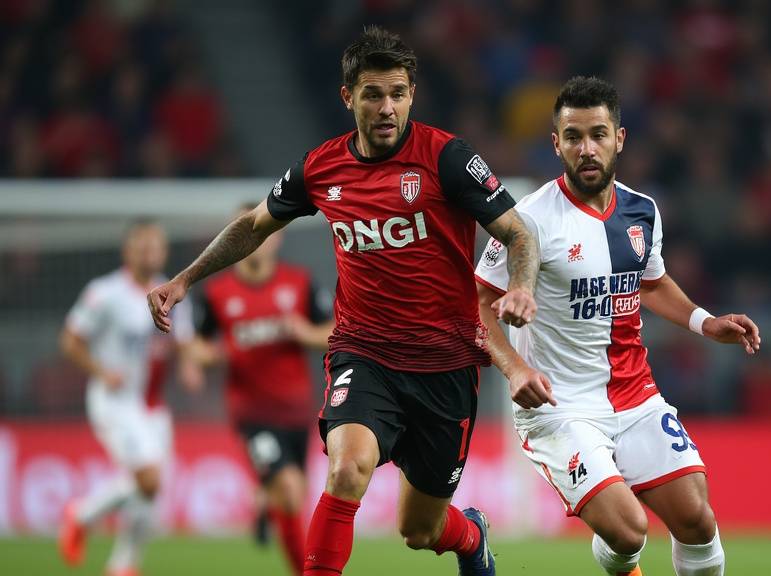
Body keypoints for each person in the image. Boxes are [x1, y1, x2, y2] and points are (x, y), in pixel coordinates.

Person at [146, 26, 539, 576]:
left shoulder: (446, 158)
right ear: (347, 96)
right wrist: (186, 279)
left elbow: (519, 233)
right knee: (346, 470)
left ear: (411, 95)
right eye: (373, 94)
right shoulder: (320, 167)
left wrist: (519, 285)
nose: (386, 108)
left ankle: (471, 538)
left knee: (419, 530)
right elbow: (254, 225)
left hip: (444, 365)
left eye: (398, 94)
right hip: (364, 352)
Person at [475, 77, 760, 576]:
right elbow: (476, 303)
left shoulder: (642, 211)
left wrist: (705, 322)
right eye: (574, 136)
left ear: (619, 138)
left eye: (598, 134)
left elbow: (650, 284)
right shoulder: (527, 220)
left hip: (635, 394)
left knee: (697, 519)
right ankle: (621, 556)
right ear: (556, 143)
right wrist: (515, 369)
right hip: (559, 407)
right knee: (629, 531)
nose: (587, 148)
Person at [186, 204, 334, 574]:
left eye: (262, 232)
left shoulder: (298, 283)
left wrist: (303, 332)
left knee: (294, 495)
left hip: (296, 410)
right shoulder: (219, 293)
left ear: (277, 236)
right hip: (251, 413)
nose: (255, 240)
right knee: (288, 488)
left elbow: (333, 332)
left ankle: (264, 503)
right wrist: (211, 356)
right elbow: (199, 346)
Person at [58, 219, 199, 576]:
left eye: (156, 247)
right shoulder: (104, 293)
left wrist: (188, 365)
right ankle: (82, 515)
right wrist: (101, 371)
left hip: (153, 405)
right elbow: (70, 341)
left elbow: (183, 342)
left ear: (164, 252)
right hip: (115, 400)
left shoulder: (175, 292)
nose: (150, 253)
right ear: (128, 251)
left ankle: (123, 565)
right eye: (142, 246)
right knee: (148, 479)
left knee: (150, 491)